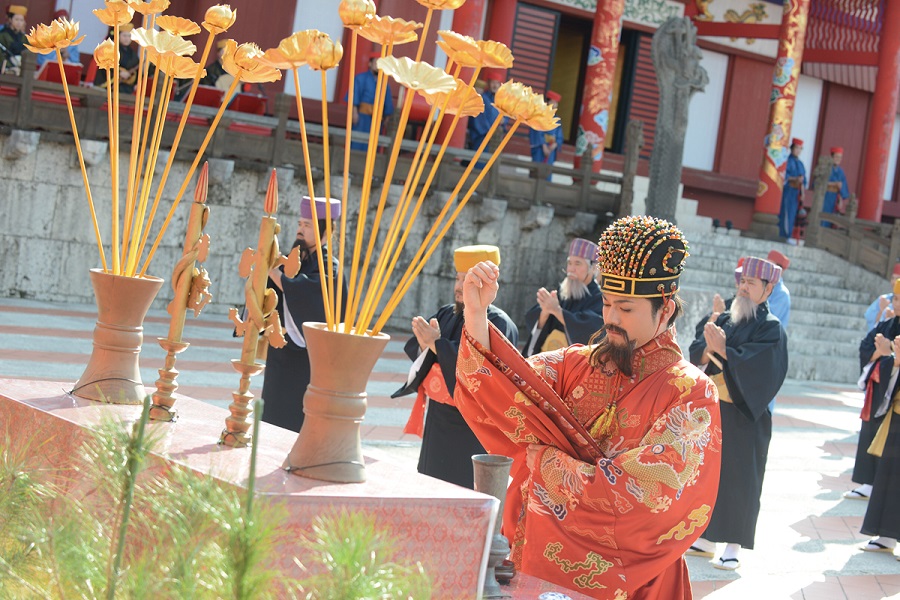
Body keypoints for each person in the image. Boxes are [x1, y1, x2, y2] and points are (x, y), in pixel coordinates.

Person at [455, 215, 722, 598]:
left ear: (664, 309)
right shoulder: (578, 363)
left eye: (626, 309)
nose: (611, 318)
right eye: (607, 304)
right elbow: (504, 387)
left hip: (637, 579)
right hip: (538, 559)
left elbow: (649, 500)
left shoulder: (691, 393)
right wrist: (476, 313)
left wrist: (546, 462)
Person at [688, 255, 789, 571]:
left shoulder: (771, 328)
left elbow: (761, 368)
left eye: (751, 283)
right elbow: (697, 349)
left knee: (741, 480)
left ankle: (733, 545)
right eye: (742, 281)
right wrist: (709, 348)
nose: (743, 288)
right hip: (715, 411)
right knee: (710, 474)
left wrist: (722, 351)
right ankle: (706, 536)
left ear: (768, 289)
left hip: (746, 413)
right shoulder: (726, 319)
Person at [392, 245, 518, 489]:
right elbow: (425, 353)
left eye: (466, 279)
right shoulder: (447, 313)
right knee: (429, 483)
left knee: (463, 487)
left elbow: (483, 371)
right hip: (438, 418)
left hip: (471, 424)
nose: (459, 286)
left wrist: (437, 344)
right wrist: (426, 344)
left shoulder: (499, 322)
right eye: (457, 278)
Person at [261, 196, 347, 433]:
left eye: (307, 225)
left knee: (294, 418)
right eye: (300, 224)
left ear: (326, 231)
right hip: (280, 350)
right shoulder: (291, 260)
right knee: (271, 414)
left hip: (307, 359)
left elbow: (310, 296)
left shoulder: (330, 266)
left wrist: (277, 275)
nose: (300, 230)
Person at [845, 285, 900, 505]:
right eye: (896, 299)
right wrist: (881, 352)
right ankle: (867, 481)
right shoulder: (887, 324)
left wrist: (890, 352)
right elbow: (866, 347)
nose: (897, 304)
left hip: (894, 393)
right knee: (870, 430)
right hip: (877, 388)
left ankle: (882, 483)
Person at [858, 293, 900, 553]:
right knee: (890, 473)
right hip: (896, 411)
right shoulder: (889, 325)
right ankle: (887, 535)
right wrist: (892, 358)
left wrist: (891, 353)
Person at [521, 237, 603, 357]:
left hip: (573, 363)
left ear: (593, 268)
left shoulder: (599, 298)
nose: (571, 269)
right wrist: (545, 312)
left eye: (577, 263)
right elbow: (538, 328)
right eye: (569, 263)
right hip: (547, 360)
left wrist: (557, 311)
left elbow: (592, 330)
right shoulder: (562, 293)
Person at [350, 51, 393, 151]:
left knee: (372, 145)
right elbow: (354, 96)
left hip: (377, 119)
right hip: (361, 116)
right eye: (376, 63)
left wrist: (387, 118)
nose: (378, 66)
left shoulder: (384, 84)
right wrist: (354, 112)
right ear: (370, 64)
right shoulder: (360, 78)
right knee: (357, 141)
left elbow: (387, 102)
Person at [94, 23, 140, 94]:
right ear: (118, 35)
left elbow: (136, 68)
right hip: (108, 83)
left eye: (129, 36)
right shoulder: (110, 48)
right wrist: (120, 72)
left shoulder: (132, 53)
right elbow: (106, 63)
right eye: (124, 36)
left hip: (124, 85)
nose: (127, 39)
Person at [778, 138, 806, 245]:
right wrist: (795, 179)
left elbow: (803, 180)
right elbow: (784, 176)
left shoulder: (801, 164)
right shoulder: (787, 161)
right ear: (792, 148)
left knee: (793, 214)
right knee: (786, 212)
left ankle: (789, 235)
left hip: (796, 192)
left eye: (800, 149)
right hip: (788, 190)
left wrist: (802, 193)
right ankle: (784, 235)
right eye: (797, 148)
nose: (798, 151)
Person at [529, 90, 563, 167]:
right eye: (553, 102)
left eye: (556, 103)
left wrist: (554, 145)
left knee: (548, 169)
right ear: (548, 102)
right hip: (540, 147)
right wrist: (544, 146)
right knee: (537, 168)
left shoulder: (557, 119)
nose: (555, 105)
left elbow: (559, 136)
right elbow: (537, 132)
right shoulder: (539, 116)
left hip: (551, 148)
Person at [864, 263, 900, 331]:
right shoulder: (883, 299)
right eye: (892, 278)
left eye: (898, 278)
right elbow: (873, 327)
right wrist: (881, 311)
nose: (894, 282)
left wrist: (894, 319)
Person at [821, 145, 850, 226]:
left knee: (831, 220)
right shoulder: (825, 168)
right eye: (836, 157)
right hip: (825, 196)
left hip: (834, 198)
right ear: (832, 157)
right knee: (823, 217)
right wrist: (834, 184)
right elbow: (820, 183)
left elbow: (843, 188)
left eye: (840, 157)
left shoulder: (841, 172)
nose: (838, 159)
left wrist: (840, 199)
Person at [766, 249, 791, 329]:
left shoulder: (782, 293)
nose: (766, 269)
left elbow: (768, 319)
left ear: (780, 271)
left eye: (770, 266)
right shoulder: (764, 286)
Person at [0, 4, 26, 75]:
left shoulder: (24, 38)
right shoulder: (3, 35)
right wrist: (10, 67)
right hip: (6, 69)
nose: (19, 23)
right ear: (10, 20)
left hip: (21, 70)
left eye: (21, 20)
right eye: (16, 19)